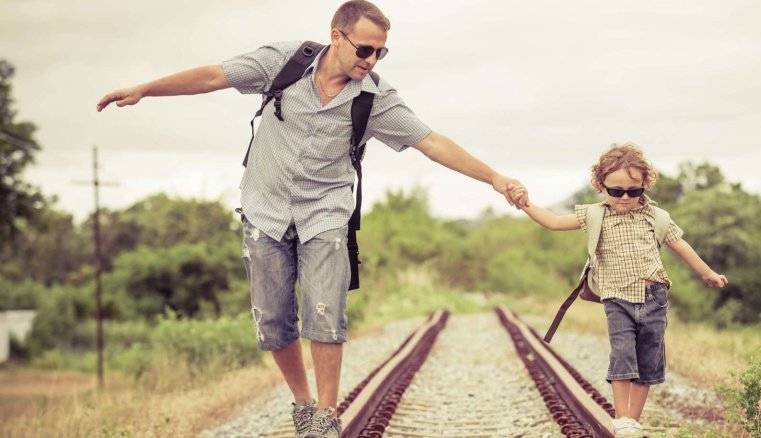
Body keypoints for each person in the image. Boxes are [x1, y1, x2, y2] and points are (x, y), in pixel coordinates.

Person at [96, 1, 529, 437]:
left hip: (325, 213)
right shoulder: (282, 64)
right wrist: (145, 89)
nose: (372, 60)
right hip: (264, 211)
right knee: (273, 320)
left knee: (325, 311)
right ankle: (302, 404)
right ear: (336, 37)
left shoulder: (375, 99)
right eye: (365, 49)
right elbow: (213, 76)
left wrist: (495, 178)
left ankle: (325, 416)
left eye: (380, 52)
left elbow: (431, 142)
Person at [512, 143, 726, 437]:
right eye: (616, 191)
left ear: (644, 185)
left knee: (648, 359)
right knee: (622, 353)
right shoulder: (595, 215)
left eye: (633, 191)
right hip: (617, 298)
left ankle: (632, 422)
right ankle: (622, 417)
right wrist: (525, 203)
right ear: (601, 186)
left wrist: (707, 272)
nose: (624, 197)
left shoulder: (657, 216)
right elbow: (553, 221)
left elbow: (681, 245)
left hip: (654, 298)